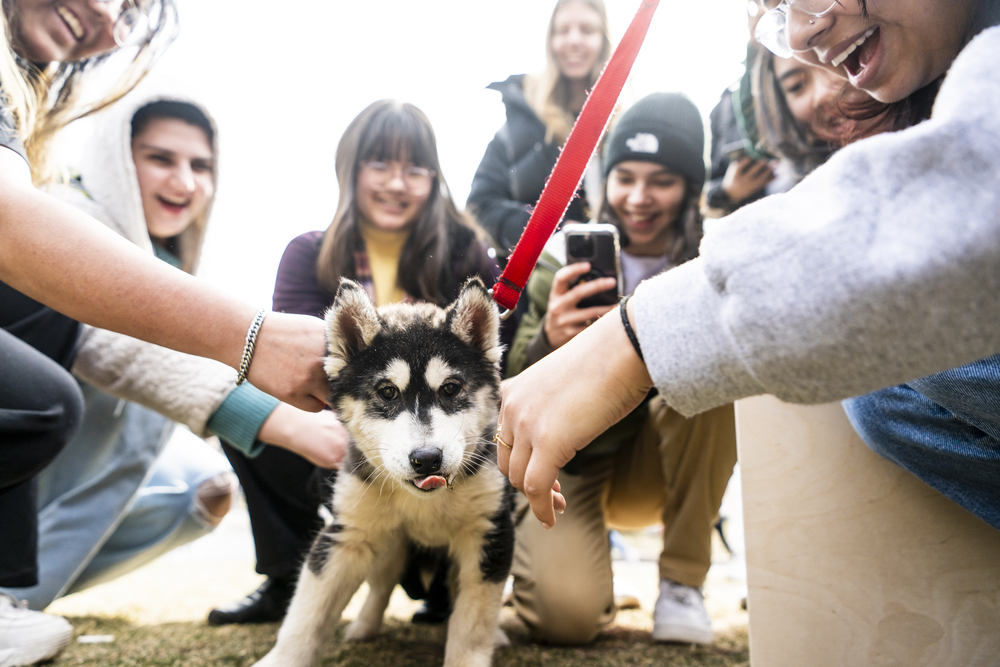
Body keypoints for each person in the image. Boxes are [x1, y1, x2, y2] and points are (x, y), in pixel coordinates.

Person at [496, 0, 1000, 535]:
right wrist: (551, 343)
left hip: (651, 478)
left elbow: (965, 208)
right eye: (779, 15)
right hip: (587, 477)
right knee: (879, 388)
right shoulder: (560, 263)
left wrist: (633, 338)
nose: (805, 34)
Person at [0, 3, 325, 665]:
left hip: (54, 459)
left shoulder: (21, 116)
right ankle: (14, 588)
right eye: (160, 158)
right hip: (46, 425)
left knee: (195, 491)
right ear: (119, 157)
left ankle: (25, 586)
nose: (107, 19)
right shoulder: (65, 210)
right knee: (69, 385)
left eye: (201, 165)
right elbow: (111, 341)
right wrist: (261, 355)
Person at [208, 99, 505, 627]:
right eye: (380, 164)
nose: (397, 183)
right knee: (245, 406)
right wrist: (328, 428)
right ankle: (284, 574)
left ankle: (441, 586)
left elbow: (491, 366)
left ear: (434, 178)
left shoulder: (466, 252)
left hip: (448, 448)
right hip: (342, 426)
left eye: (415, 168)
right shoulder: (310, 253)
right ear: (351, 169)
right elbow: (296, 365)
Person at [505, 93, 737, 646]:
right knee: (566, 620)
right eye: (625, 177)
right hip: (570, 471)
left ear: (688, 185)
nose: (638, 197)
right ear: (605, 181)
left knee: (714, 372)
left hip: (654, 464)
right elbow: (509, 391)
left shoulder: (713, 259)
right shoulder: (560, 260)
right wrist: (549, 340)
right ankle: (575, 584)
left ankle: (683, 583)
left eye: (661, 179)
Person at [467, 0, 612, 259]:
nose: (574, 40)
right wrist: (551, 232)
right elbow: (480, 206)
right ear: (550, 40)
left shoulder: (625, 122)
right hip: (534, 283)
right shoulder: (520, 122)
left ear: (604, 38)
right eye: (563, 30)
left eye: (587, 30)